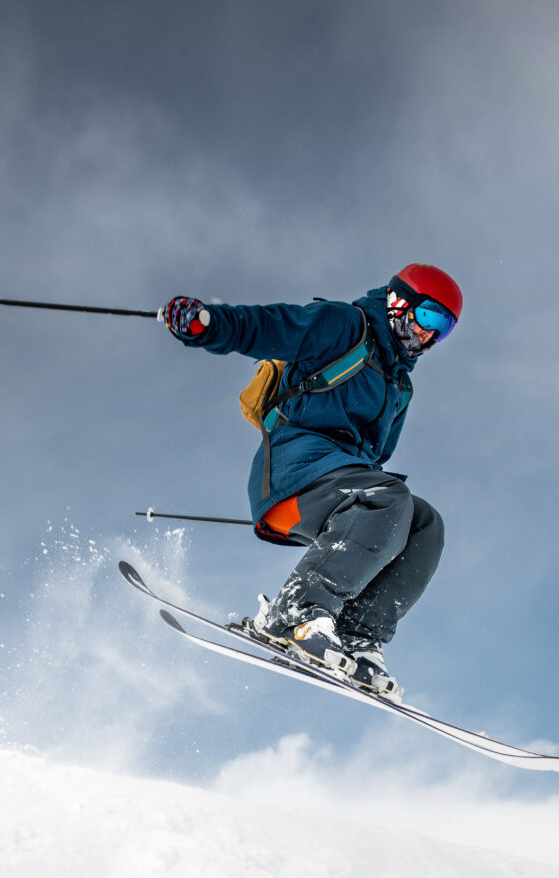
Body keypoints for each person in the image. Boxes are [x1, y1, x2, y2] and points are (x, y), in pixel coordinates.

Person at [157, 263, 463, 701]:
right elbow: (270, 327)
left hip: (339, 485)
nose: (431, 335)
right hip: (291, 470)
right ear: (400, 301)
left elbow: (376, 456)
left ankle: (359, 635)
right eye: (430, 318)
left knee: (425, 523)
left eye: (445, 329)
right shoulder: (345, 326)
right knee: (387, 496)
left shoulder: (400, 385)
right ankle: (294, 611)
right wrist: (206, 324)